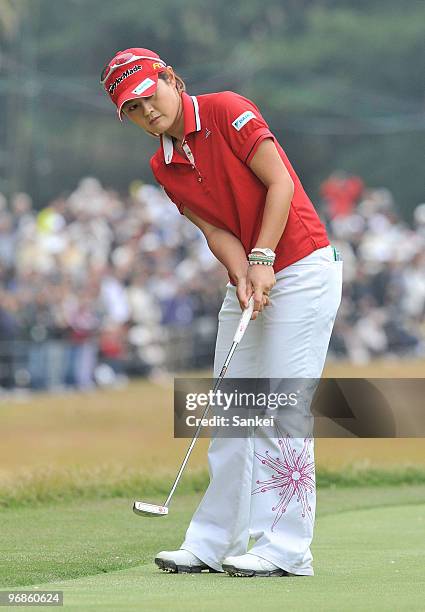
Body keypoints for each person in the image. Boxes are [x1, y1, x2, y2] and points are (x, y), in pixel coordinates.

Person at [101, 48, 343, 577]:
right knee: (231, 407)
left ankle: (286, 548)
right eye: (133, 110)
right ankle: (213, 541)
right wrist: (242, 274)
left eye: (148, 96)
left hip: (301, 265)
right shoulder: (162, 165)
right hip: (249, 272)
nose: (147, 113)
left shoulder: (226, 110)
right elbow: (214, 229)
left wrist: (262, 258)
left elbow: (280, 184)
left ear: (168, 78)